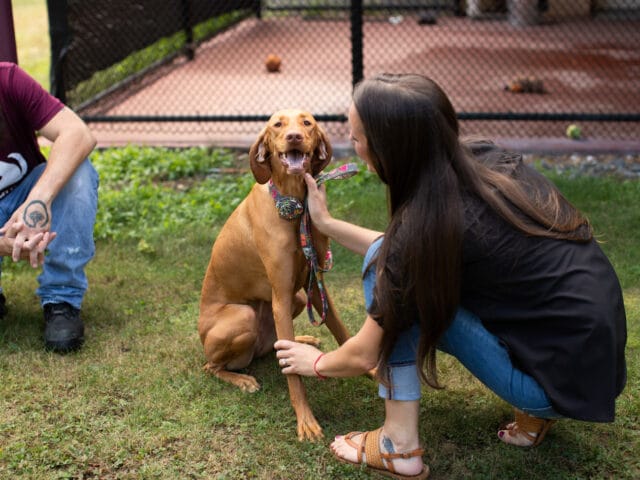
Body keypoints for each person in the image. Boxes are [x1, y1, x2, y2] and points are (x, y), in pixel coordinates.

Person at [274, 73, 627, 479]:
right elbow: (408, 245)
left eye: (356, 139)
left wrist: (317, 362)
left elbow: (364, 353)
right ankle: (535, 413)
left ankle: (398, 446)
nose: (351, 146)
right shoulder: (484, 157)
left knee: (384, 273)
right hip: (585, 368)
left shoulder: (421, 231)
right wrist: (329, 224)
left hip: (550, 386)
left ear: (388, 149)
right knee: (394, 264)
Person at [0, 61, 98, 353]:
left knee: (79, 172)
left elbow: (78, 133)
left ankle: (62, 299)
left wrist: (37, 202)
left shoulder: (7, 78)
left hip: (22, 194)